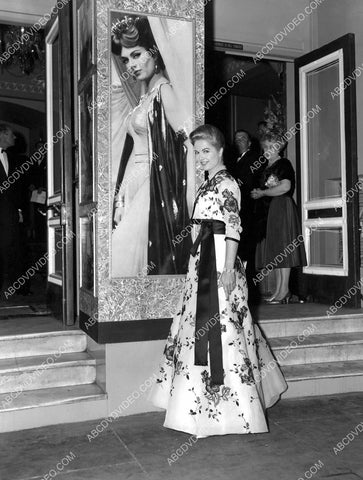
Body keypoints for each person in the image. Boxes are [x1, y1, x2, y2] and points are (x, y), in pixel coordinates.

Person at [149, 125, 287, 438]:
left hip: (220, 260)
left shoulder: (227, 182)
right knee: (201, 325)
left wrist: (227, 268)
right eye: (196, 152)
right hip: (202, 260)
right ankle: (195, 405)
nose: (200, 157)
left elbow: (233, 226)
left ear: (220, 150)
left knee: (225, 327)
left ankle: (230, 411)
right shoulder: (208, 182)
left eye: (206, 151)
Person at [111, 15, 193, 277]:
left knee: (125, 252)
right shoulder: (144, 97)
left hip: (154, 187)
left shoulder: (164, 92)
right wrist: (123, 192)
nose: (131, 65)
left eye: (136, 55)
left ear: (155, 52)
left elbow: (188, 142)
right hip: (134, 185)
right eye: (126, 60)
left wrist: (187, 196)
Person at [251, 131, 307, 304]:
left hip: (281, 207)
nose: (268, 149)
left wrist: (263, 192)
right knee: (275, 250)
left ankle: (284, 291)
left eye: (272, 146)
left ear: (280, 147)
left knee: (283, 248)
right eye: (266, 147)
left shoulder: (284, 164)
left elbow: (285, 187)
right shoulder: (265, 166)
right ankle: (279, 290)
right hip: (269, 210)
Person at [229, 129, 264, 303]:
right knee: (239, 252)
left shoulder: (254, 158)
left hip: (248, 212)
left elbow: (247, 183)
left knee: (246, 251)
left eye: (243, 138)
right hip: (238, 212)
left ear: (250, 142)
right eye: (236, 139)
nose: (239, 141)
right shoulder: (235, 160)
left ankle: (248, 293)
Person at [0, 125, 22, 296]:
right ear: (2, 134)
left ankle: (17, 286)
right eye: (11, 134)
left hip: (9, 212)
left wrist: (19, 210)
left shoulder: (12, 158)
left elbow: (16, 188)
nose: (14, 137)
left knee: (10, 247)